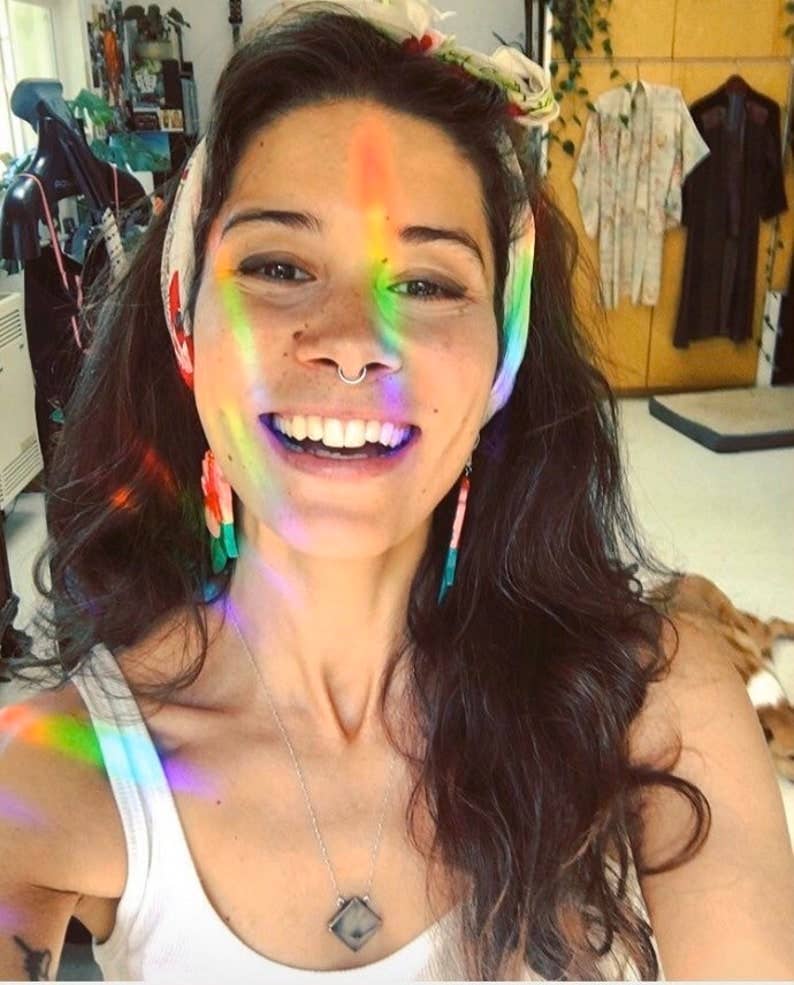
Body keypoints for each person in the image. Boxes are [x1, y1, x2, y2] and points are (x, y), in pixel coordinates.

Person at [2, 0, 793, 980]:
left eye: (426, 283)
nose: (352, 341)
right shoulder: (50, 778)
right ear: (183, 319)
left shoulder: (660, 701)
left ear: (502, 356)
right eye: (278, 265)